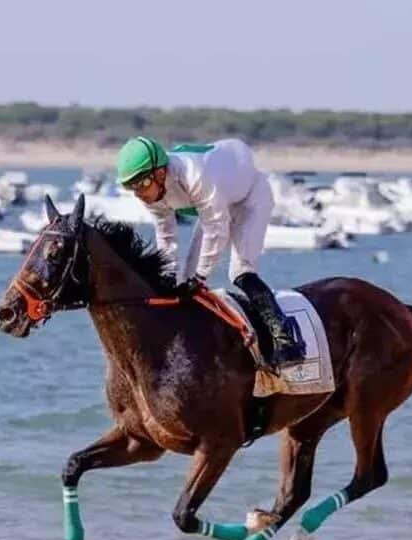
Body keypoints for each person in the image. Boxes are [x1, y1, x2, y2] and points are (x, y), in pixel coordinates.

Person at [116, 136, 306, 369]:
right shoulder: (152, 191)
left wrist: (201, 276)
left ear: (160, 172)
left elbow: (217, 228)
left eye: (143, 183)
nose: (140, 193)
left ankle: (285, 340)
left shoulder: (194, 175)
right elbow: (166, 236)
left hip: (250, 198)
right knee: (182, 279)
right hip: (219, 203)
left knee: (240, 271)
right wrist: (165, 277)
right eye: (132, 187)